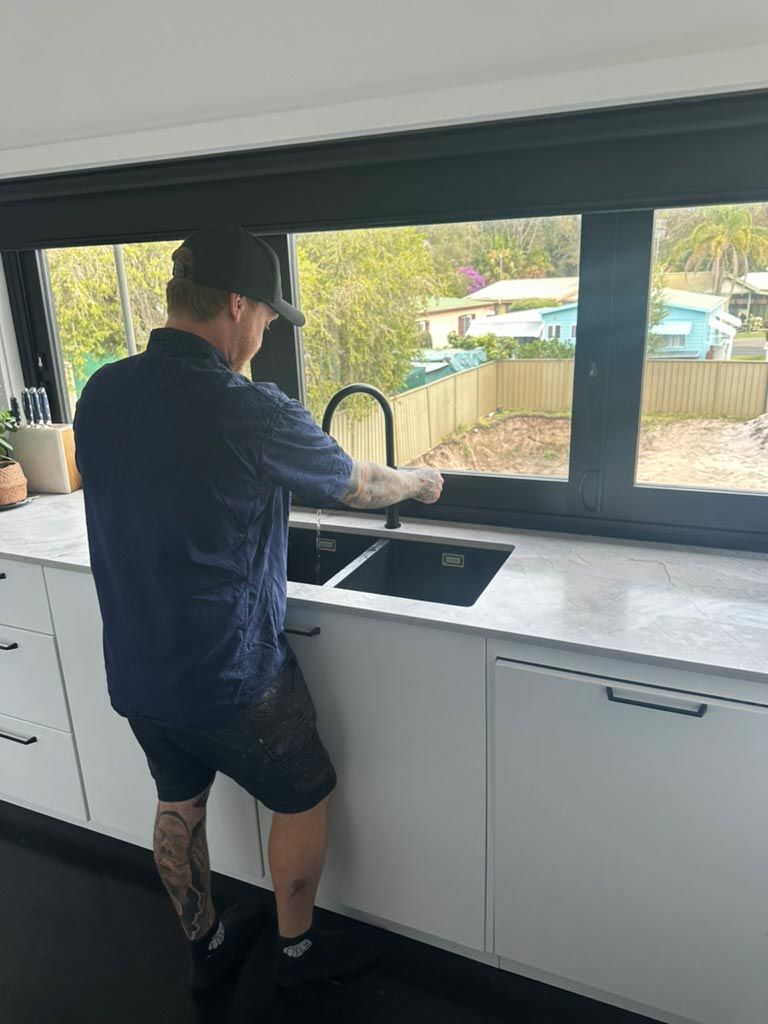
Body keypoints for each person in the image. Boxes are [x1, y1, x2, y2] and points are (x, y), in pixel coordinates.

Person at [73, 226, 444, 994]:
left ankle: (204, 949)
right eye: (268, 318)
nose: (268, 333)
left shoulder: (103, 390)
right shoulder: (250, 409)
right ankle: (299, 956)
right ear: (235, 304)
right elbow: (353, 485)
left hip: (138, 670)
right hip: (231, 675)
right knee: (304, 794)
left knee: (178, 805)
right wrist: (419, 481)